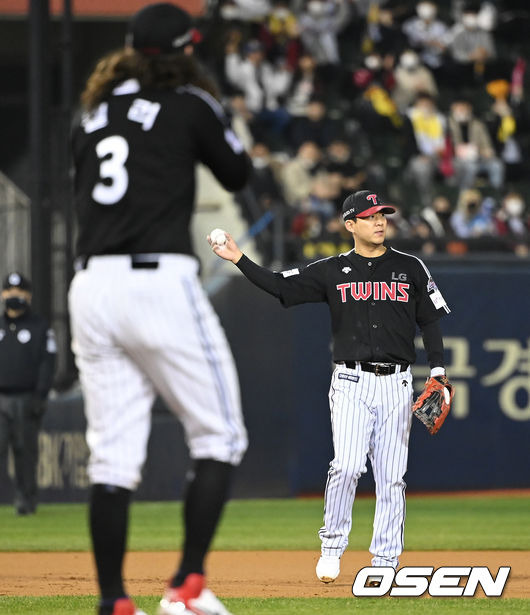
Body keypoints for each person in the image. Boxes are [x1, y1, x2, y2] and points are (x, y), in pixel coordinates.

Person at [68, 4, 251, 615]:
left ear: (129, 47)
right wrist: (206, 106)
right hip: (158, 281)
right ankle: (187, 587)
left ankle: (114, 601)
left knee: (114, 458)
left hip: (92, 286)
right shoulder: (191, 103)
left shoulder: (91, 112)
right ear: (187, 48)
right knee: (219, 435)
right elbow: (237, 171)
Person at [208, 189, 451, 586]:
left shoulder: (410, 267)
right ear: (350, 224)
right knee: (348, 465)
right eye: (370, 216)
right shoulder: (331, 270)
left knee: (392, 478)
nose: (379, 222)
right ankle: (332, 545)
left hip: (397, 384)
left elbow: (430, 321)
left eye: (383, 215)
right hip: (351, 381)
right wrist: (239, 259)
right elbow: (279, 285)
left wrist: (438, 370)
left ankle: (385, 560)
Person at [0, 272, 56, 515]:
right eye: (10, 292)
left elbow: (48, 362)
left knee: (25, 453)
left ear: (29, 296)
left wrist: (40, 395)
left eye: (20, 292)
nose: (15, 296)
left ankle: (26, 502)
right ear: (3, 295)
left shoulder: (39, 326)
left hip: (26, 397)